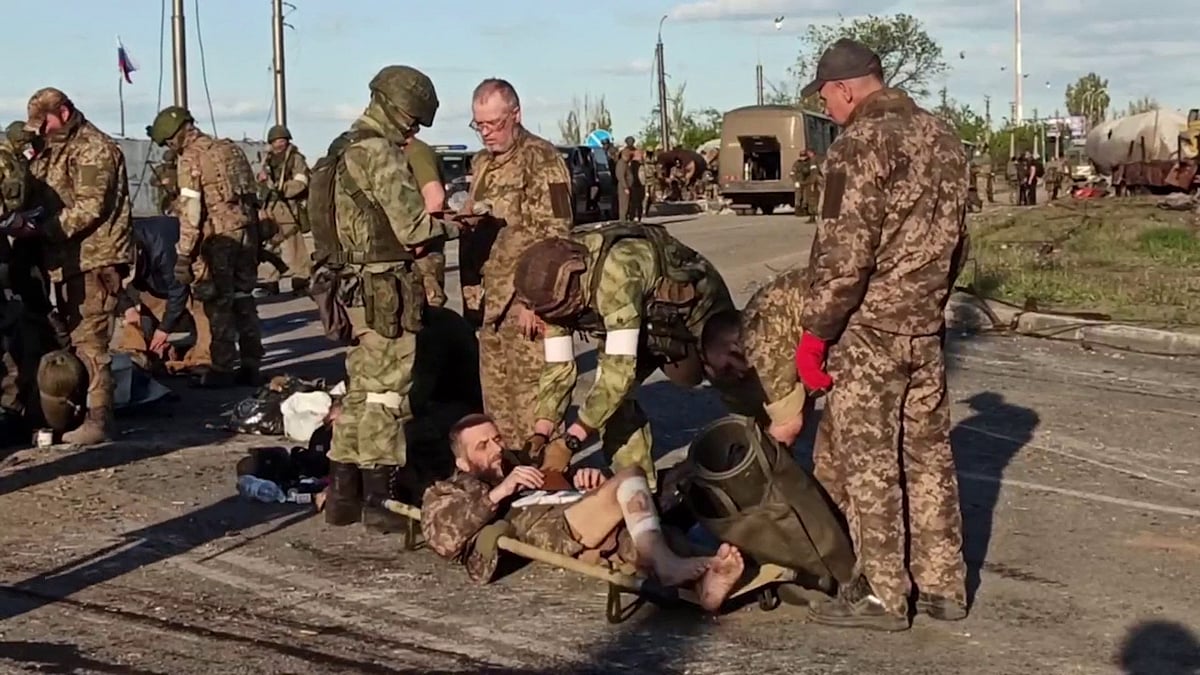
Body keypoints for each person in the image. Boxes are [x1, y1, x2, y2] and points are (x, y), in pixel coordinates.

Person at [794, 38, 969, 631]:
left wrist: (816, 333)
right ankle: (942, 584)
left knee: (870, 461)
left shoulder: (858, 145)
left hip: (869, 330)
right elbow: (959, 241)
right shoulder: (944, 137)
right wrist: (931, 300)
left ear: (844, 88)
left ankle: (883, 592)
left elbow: (845, 255)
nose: (827, 110)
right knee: (928, 454)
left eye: (825, 98)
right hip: (925, 325)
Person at [313, 64, 459, 533]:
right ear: (395, 109)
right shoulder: (380, 153)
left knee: (359, 390)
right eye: (413, 121)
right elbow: (413, 229)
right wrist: (456, 224)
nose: (413, 132)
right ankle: (381, 499)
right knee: (385, 393)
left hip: (349, 286)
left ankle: (343, 494)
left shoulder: (339, 150)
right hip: (383, 290)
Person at [421, 413, 746, 612]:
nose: (496, 449)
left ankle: (706, 587)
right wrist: (501, 490)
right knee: (631, 475)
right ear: (462, 462)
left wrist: (587, 480)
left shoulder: (519, 464)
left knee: (647, 535)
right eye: (483, 446)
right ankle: (670, 566)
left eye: (496, 439)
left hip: (575, 511)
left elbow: (559, 482)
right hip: (549, 528)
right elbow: (443, 539)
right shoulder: (448, 491)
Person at [511, 221, 734, 489]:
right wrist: (542, 431)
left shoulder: (617, 274)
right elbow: (558, 368)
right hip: (635, 323)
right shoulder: (552, 298)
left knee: (733, 372)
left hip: (695, 310)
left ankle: (765, 444)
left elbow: (617, 375)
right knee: (612, 408)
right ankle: (639, 489)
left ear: (572, 285)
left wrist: (571, 441)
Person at [468, 78, 574, 445]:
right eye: (479, 125)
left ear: (516, 114)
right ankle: (513, 475)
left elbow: (557, 235)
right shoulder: (482, 163)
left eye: (494, 123)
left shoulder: (542, 159)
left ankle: (547, 475)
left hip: (524, 304)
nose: (486, 133)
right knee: (497, 413)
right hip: (490, 304)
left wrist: (535, 302)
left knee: (534, 408)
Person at [24, 87, 133, 444]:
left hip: (96, 259)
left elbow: (90, 206)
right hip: (70, 260)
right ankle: (78, 412)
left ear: (64, 113)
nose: (42, 131)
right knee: (74, 338)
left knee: (91, 341)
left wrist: (41, 229)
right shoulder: (55, 148)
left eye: (46, 123)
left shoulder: (93, 148)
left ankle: (99, 419)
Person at [147, 105, 264, 388]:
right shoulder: (229, 149)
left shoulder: (190, 159)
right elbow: (251, 195)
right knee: (243, 297)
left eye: (168, 143)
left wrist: (184, 254)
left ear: (175, 136)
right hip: (246, 231)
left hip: (219, 239)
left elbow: (191, 212)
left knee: (218, 302)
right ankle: (251, 363)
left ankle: (222, 367)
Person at [699, 267, 808, 448]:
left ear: (734, 346)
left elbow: (789, 426)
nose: (739, 376)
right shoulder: (757, 313)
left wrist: (757, 458)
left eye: (728, 369)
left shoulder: (760, 345)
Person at [113, 216, 212, 373]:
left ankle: (203, 358)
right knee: (141, 311)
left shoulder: (164, 251)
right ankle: (136, 351)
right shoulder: (117, 248)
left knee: (202, 307)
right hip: (153, 273)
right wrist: (128, 308)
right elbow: (113, 283)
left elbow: (178, 290)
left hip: (190, 266)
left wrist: (164, 329)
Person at [256, 125, 312, 295]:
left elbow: (301, 183)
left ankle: (301, 280)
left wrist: (281, 188)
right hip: (269, 208)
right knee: (271, 246)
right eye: (276, 141)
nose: (279, 144)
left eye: (282, 140)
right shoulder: (267, 160)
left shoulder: (295, 159)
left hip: (288, 207)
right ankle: (271, 281)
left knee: (294, 246)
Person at [403, 133, 448, 308]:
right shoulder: (397, 152)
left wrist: (417, 244)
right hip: (411, 250)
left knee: (425, 312)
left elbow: (435, 199)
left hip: (422, 256)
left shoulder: (416, 152)